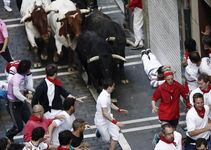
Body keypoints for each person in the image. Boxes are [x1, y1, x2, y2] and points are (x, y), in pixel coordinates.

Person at [94, 79, 128, 150]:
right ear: (109, 87)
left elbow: (110, 104)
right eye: (113, 86)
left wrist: (119, 109)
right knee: (106, 139)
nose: (114, 88)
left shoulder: (107, 94)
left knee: (116, 136)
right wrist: (116, 123)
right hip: (101, 121)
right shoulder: (103, 98)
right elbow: (105, 114)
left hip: (109, 118)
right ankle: (99, 131)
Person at [6, 60, 34, 141]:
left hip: (21, 103)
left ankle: (30, 139)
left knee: (30, 122)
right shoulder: (16, 78)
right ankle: (8, 136)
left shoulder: (24, 74)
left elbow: (28, 86)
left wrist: (33, 91)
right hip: (13, 104)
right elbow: (16, 92)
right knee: (19, 127)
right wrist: (26, 100)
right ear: (26, 69)